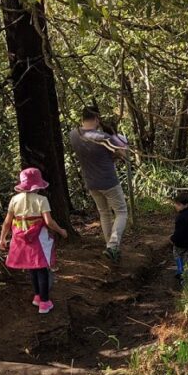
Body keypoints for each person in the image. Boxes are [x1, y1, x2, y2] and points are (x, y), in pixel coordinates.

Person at [0, 167, 68, 315]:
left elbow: (7, 222)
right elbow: (48, 222)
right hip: (38, 238)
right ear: (38, 185)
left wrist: (2, 238)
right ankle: (44, 302)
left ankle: (37, 296)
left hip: (20, 238)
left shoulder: (14, 200)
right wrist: (61, 231)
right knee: (41, 268)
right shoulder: (42, 200)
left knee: (32, 267)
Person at [69, 107, 129, 263]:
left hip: (91, 182)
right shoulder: (102, 138)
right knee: (121, 212)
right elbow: (123, 154)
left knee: (104, 213)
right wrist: (116, 137)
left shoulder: (74, 134)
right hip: (108, 181)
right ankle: (113, 245)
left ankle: (110, 247)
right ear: (96, 118)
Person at [170, 190, 188, 283]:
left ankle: (180, 271)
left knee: (177, 254)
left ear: (186, 204)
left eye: (178, 204)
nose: (176, 206)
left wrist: (172, 239)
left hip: (180, 243)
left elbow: (179, 232)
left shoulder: (180, 217)